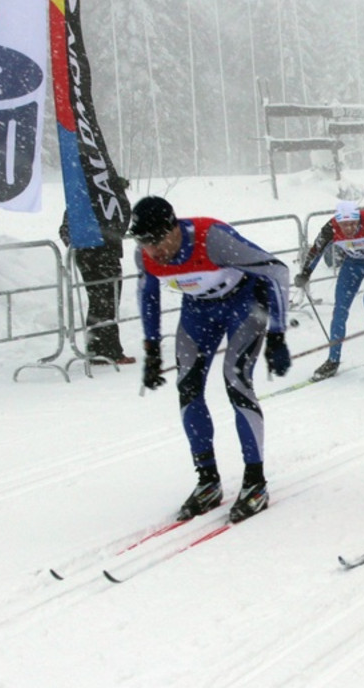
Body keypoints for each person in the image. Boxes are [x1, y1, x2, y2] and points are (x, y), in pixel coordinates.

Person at [129, 196, 290, 523]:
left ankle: (255, 482)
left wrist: (277, 334)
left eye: (157, 240)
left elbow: (276, 270)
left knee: (236, 381)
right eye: (144, 242)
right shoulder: (145, 255)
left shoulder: (211, 238)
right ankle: (207, 480)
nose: (152, 250)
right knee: (187, 386)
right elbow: (148, 296)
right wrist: (151, 350)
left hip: (243, 303)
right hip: (199, 310)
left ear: (174, 229)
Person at [294, 201, 364, 381]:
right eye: (345, 225)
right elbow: (316, 250)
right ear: (338, 222)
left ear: (358, 219)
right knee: (340, 310)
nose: (350, 228)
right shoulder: (330, 228)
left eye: (353, 223)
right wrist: (305, 272)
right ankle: (333, 360)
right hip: (352, 264)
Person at [59, 176, 135, 365]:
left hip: (89, 256)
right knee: (107, 303)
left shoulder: (83, 199)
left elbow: (65, 230)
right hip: (103, 256)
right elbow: (122, 223)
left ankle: (98, 349)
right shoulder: (110, 202)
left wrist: (80, 245)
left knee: (100, 303)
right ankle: (109, 351)